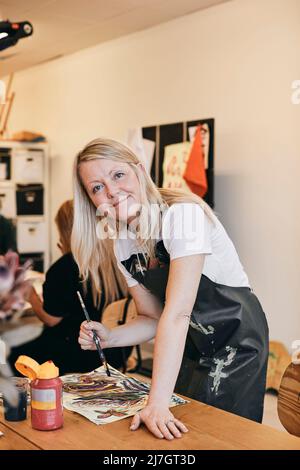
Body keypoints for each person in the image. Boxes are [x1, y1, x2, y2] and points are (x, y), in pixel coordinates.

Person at [74, 138, 269, 440]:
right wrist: (111, 336)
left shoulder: (182, 216)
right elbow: (152, 318)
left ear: (139, 171)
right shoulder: (122, 242)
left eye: (118, 175)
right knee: (181, 433)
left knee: (222, 437)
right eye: (97, 187)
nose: (111, 192)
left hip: (236, 341)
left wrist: (156, 403)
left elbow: (177, 314)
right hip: (189, 344)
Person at [8, 200, 130, 375]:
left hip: (76, 352)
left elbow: (51, 319)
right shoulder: (117, 262)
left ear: (66, 231)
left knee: (11, 357)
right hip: (115, 352)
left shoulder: (66, 266)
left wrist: (31, 296)